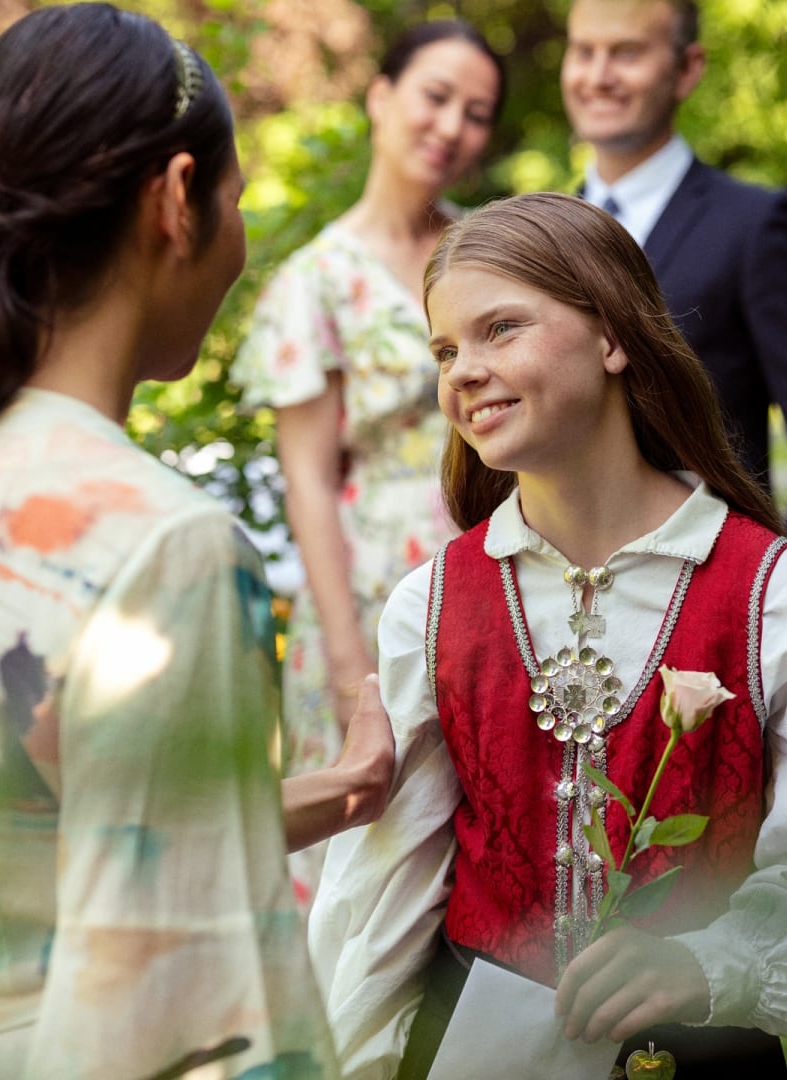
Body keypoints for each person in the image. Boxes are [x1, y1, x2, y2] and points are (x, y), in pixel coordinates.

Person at [0, 5, 393, 1077]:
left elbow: (41, 840)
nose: (239, 236)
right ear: (175, 198)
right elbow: (190, 1010)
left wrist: (344, 790)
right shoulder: (166, 543)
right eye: (235, 198)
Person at [308, 193, 787, 1079]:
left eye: (500, 329)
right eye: (445, 348)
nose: (463, 370)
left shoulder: (769, 591)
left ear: (612, 338)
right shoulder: (435, 603)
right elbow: (381, 893)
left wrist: (710, 963)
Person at [231, 20, 504, 910]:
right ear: (381, 97)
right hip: (368, 592)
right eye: (435, 96)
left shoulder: (487, 255)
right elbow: (306, 478)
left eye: (477, 113)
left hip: (496, 564)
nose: (452, 126)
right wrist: (354, 663)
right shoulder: (318, 278)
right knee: (371, 841)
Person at [561, 0, 787, 582]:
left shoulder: (758, 227)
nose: (598, 75)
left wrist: (778, 602)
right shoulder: (542, 233)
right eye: (583, 51)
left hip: (703, 600)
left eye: (626, 52)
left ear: (687, 69)